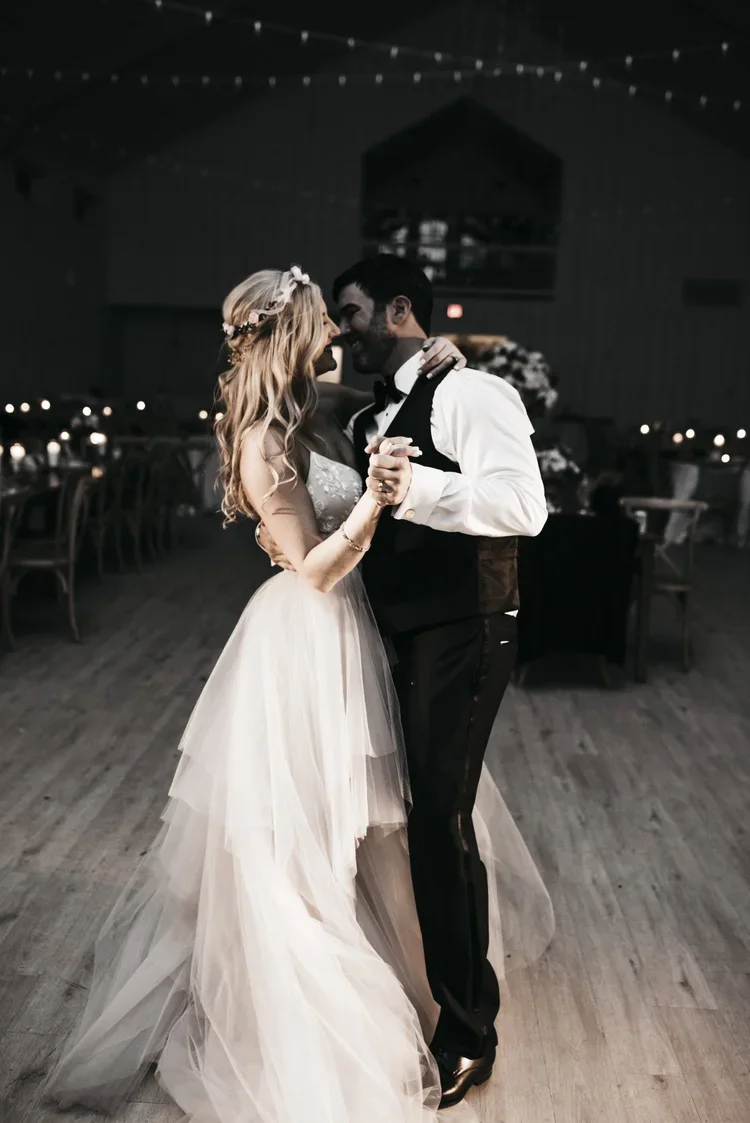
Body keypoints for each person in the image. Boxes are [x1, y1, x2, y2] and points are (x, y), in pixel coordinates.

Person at [44, 265, 552, 1123]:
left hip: (381, 631)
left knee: (402, 817)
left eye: (346, 316)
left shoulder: (340, 404)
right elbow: (315, 563)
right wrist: (378, 503)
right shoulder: (266, 437)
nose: (337, 332)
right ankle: (337, 1003)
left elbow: (473, 462)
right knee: (325, 829)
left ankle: (450, 1008)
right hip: (312, 631)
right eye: (326, 320)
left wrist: (438, 364)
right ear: (291, 334)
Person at [262, 254, 551, 1106]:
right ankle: (408, 984)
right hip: (394, 634)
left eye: (350, 312)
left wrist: (417, 485)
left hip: (467, 627)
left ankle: (467, 1031)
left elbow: (524, 506)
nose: (340, 327)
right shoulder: (369, 411)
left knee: (439, 816)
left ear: (398, 309)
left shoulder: (475, 393)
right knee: (401, 815)